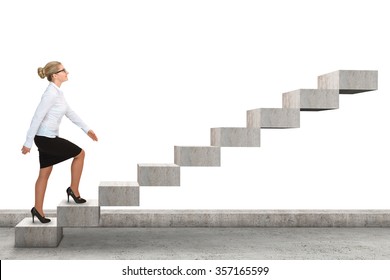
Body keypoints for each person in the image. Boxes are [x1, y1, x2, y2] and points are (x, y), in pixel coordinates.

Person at [21, 61, 98, 223]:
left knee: (44, 173)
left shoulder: (58, 93)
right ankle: (73, 190)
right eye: (64, 70)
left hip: (47, 137)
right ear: (55, 75)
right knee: (80, 154)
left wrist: (87, 129)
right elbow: (37, 117)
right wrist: (28, 142)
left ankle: (38, 209)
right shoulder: (50, 94)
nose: (67, 72)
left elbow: (70, 113)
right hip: (45, 138)